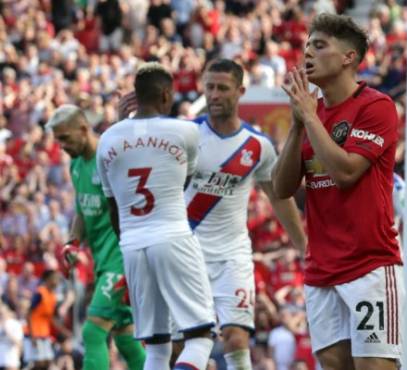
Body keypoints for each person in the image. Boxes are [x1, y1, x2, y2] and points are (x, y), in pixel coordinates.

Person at [272, 13, 404, 370]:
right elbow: (282, 187)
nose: (307, 54)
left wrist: (310, 119)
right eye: (306, 46)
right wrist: (298, 126)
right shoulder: (310, 115)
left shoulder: (375, 106)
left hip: (369, 264)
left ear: (348, 57)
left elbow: (346, 172)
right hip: (321, 268)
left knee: (373, 366)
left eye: (319, 45)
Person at [183, 59, 306, 370]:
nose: (214, 95)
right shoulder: (186, 137)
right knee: (186, 343)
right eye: (209, 87)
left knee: (236, 337)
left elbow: (278, 197)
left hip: (232, 255)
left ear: (240, 92)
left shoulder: (258, 146)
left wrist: (304, 245)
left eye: (222, 88)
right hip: (189, 254)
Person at [96, 62, 215, 370]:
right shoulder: (186, 131)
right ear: (166, 94)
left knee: (157, 349)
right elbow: (182, 182)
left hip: (133, 245)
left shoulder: (107, 139)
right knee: (200, 337)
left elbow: (113, 207)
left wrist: (129, 243)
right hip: (172, 235)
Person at [45, 104, 146, 370]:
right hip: (103, 261)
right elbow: (82, 206)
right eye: (57, 140)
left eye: (65, 138)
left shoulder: (112, 157)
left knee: (93, 331)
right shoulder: (77, 164)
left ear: (83, 129)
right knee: (125, 338)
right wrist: (73, 240)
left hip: (123, 258)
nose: (61, 146)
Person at [24, 270, 72, 370]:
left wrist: (64, 331)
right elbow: (29, 314)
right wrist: (32, 336)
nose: (57, 281)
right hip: (33, 333)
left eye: (58, 279)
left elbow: (52, 318)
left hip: (44, 333)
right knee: (39, 363)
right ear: (47, 279)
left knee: (47, 362)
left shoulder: (52, 296)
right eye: (55, 279)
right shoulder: (40, 293)